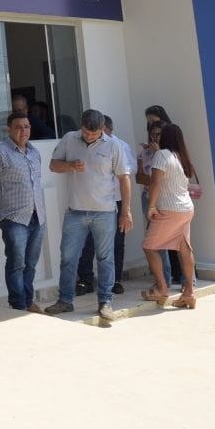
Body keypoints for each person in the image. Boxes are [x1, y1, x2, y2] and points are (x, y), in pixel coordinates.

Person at [44, 109, 132, 321]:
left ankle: (105, 302)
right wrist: (70, 165)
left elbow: (124, 179)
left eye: (93, 134)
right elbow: (53, 165)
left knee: (105, 258)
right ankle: (65, 300)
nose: (89, 137)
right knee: (68, 257)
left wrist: (126, 211)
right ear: (81, 126)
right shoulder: (69, 139)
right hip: (75, 211)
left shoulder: (114, 145)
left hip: (105, 212)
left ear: (102, 129)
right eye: (85, 132)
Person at [0, 111, 46, 312]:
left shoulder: (35, 152)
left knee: (31, 264)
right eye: (18, 127)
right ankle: (18, 304)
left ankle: (28, 301)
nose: (23, 131)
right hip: (15, 218)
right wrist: (3, 201)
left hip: (37, 216)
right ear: (9, 129)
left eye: (26, 127)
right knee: (16, 264)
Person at [76, 115, 136, 295]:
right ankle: (86, 280)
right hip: (92, 200)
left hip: (115, 200)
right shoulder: (83, 143)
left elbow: (130, 169)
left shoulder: (121, 146)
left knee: (117, 242)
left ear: (107, 129)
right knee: (88, 241)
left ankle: (115, 280)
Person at [140, 123, 198, 309]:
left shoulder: (162, 155)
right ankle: (189, 293)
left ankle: (161, 288)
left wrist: (151, 206)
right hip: (186, 208)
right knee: (184, 248)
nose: (156, 137)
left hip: (168, 209)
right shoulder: (182, 157)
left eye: (159, 135)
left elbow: (155, 183)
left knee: (149, 246)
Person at [136, 119, 170, 286]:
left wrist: (158, 154)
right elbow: (139, 177)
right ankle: (164, 279)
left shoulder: (170, 153)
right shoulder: (144, 154)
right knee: (156, 240)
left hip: (167, 200)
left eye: (158, 134)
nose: (155, 138)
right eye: (152, 135)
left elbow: (169, 178)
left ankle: (183, 279)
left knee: (174, 238)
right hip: (148, 198)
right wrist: (152, 181)